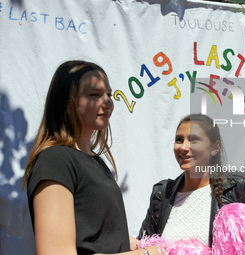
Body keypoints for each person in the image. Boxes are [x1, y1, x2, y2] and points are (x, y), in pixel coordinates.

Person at [22, 60, 162, 255]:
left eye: (109, 95)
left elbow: (94, 236)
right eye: (95, 95)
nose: (108, 103)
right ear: (67, 101)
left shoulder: (95, 162)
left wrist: (130, 242)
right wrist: (149, 254)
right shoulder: (55, 161)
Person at [138, 113, 245, 247]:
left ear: (215, 147)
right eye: (179, 140)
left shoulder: (236, 187)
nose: (183, 147)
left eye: (194, 140)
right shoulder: (162, 193)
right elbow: (145, 246)